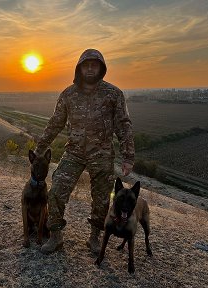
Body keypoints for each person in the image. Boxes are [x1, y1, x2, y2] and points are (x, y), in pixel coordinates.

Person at [35, 48, 135, 254]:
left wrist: (128, 157)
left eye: (94, 65)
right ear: (79, 68)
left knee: (102, 199)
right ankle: (56, 237)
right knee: (55, 192)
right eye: (86, 65)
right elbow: (55, 123)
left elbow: (123, 125)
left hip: (102, 154)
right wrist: (40, 147)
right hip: (74, 153)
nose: (90, 68)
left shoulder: (113, 94)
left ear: (101, 68)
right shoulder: (68, 94)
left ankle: (94, 239)